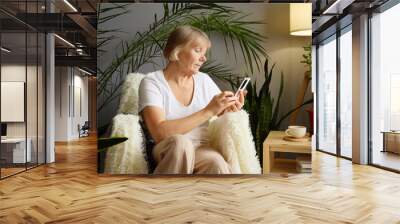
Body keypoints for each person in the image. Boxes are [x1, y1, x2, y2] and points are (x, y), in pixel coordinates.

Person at [139, 25, 245, 174]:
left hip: (201, 147)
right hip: (167, 147)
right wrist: (208, 111)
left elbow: (218, 112)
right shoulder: (152, 82)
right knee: (181, 144)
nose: (204, 58)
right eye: (198, 50)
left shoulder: (204, 80)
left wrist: (229, 108)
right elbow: (159, 133)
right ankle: (164, 195)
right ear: (176, 51)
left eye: (204, 52)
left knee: (216, 164)